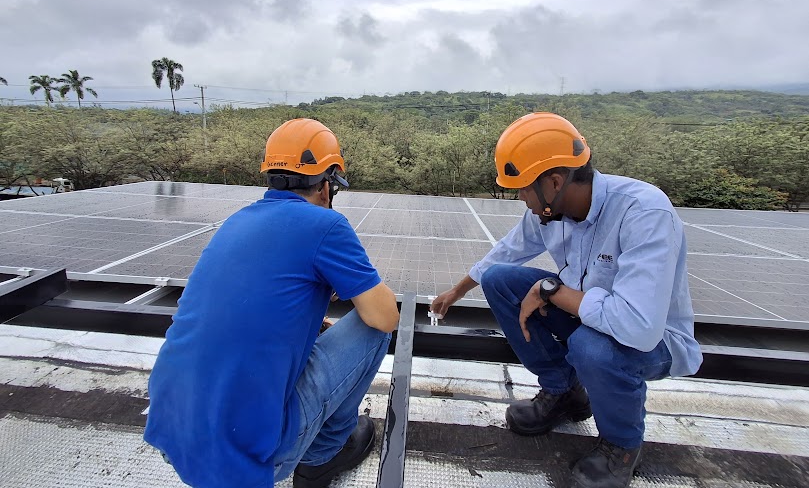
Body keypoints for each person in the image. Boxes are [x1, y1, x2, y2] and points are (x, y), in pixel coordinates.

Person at [431, 112, 702, 488]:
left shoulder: (643, 212)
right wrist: (459, 289)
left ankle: (621, 447)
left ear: (554, 181)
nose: (521, 198)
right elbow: (507, 252)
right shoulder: (550, 211)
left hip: (654, 341)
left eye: (523, 189)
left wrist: (551, 292)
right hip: (590, 317)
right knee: (500, 281)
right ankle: (564, 393)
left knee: (590, 346)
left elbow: (637, 328)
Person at [145, 118, 399, 488]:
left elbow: (251, 305)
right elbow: (384, 317)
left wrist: (308, 324)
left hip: (172, 431)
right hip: (251, 452)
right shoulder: (326, 224)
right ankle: (324, 454)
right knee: (371, 328)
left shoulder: (236, 221)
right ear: (327, 185)